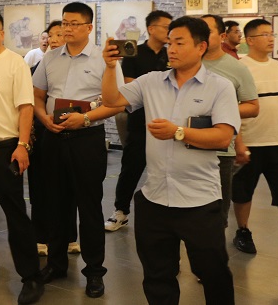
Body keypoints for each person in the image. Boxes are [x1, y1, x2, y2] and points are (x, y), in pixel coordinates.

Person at [102, 16, 238, 305]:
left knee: (213, 273)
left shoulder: (220, 87)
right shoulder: (151, 81)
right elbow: (112, 100)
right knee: (157, 276)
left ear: (201, 47)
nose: (171, 49)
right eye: (169, 43)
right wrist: (111, 67)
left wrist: (178, 132)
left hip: (199, 200)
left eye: (179, 43)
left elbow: (223, 137)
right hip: (155, 199)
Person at [32, 2, 123, 299]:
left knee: (89, 207)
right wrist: (44, 118)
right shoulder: (50, 57)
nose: (67, 28)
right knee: (55, 204)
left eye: (73, 24)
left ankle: (94, 272)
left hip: (87, 139)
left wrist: (83, 119)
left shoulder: (104, 59)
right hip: (53, 137)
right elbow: (37, 95)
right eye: (64, 23)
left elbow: (115, 103)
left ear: (88, 27)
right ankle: (56, 264)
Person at [0, 10, 43, 304]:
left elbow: (26, 107)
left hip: (5, 148)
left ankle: (31, 277)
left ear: (2, 34)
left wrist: (22, 145)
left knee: (16, 215)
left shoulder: (15, 63)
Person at [232, 18, 278, 263]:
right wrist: (238, 142)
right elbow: (231, 109)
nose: (271, 38)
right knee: (243, 192)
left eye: (272, 34)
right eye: (265, 34)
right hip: (250, 143)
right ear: (250, 40)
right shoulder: (240, 68)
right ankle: (243, 231)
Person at [105, 10, 172, 232]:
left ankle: (166, 214)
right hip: (139, 121)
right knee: (131, 168)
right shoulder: (134, 53)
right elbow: (130, 88)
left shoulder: (170, 55)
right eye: (166, 27)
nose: (169, 31)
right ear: (151, 29)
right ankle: (120, 212)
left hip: (169, 123)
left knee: (166, 169)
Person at [201, 14, 259, 228]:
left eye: (207, 31)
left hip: (221, 151)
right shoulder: (187, 64)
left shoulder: (236, 68)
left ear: (222, 36)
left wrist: (220, 110)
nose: (201, 35)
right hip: (186, 146)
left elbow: (253, 107)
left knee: (217, 212)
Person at [28, 20, 77, 257]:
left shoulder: (73, 69)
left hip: (69, 132)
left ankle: (69, 236)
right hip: (41, 132)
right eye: (51, 35)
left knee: (68, 188)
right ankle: (41, 236)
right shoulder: (35, 67)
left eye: (60, 34)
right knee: (40, 187)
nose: (54, 39)